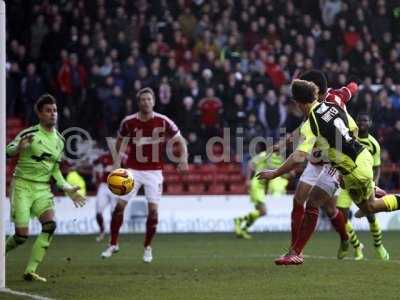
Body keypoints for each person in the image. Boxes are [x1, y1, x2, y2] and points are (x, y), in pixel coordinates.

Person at [258, 79, 400, 265]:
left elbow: (299, 156)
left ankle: (295, 252)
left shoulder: (312, 123)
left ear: (298, 103)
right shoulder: (332, 105)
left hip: (352, 170)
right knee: (369, 208)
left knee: (314, 202)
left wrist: (275, 173)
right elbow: (353, 128)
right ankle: (373, 187)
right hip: (360, 159)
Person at [101, 87, 189, 262]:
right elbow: (119, 141)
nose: (146, 102)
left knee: (153, 212)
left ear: (154, 101)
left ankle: (147, 247)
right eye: (143, 100)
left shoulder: (163, 121)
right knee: (119, 207)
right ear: (138, 102)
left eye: (149, 99)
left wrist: (183, 159)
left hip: (154, 172)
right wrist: (117, 163)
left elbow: (180, 140)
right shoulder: (129, 122)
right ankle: (113, 244)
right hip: (133, 170)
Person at [5, 94, 86, 282]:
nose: (53, 114)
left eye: (55, 110)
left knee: (50, 225)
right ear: (39, 114)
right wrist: (18, 148)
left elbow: (55, 169)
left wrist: (66, 187)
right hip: (22, 185)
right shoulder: (30, 134)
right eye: (48, 111)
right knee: (21, 236)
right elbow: (7, 150)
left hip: (42, 188)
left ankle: (30, 270)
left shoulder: (59, 140)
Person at [336, 112, 389, 260]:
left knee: (370, 215)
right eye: (359, 121)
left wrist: (375, 182)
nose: (361, 123)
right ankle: (357, 246)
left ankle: (378, 245)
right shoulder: (350, 137)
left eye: (365, 120)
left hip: (364, 182)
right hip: (347, 181)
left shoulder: (373, 144)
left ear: (370, 123)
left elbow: (377, 166)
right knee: (342, 217)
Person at [234, 148, 286, 239]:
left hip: (261, 187)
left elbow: (277, 172)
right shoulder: (264, 155)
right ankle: (239, 220)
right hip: (257, 185)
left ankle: (243, 230)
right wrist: (248, 180)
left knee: (259, 212)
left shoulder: (277, 158)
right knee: (263, 211)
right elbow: (251, 164)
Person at [93, 151, 116, 242]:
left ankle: (113, 234)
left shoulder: (122, 157)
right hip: (104, 185)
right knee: (98, 211)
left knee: (113, 213)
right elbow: (95, 164)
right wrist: (97, 175)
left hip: (116, 185)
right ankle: (102, 231)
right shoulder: (103, 156)